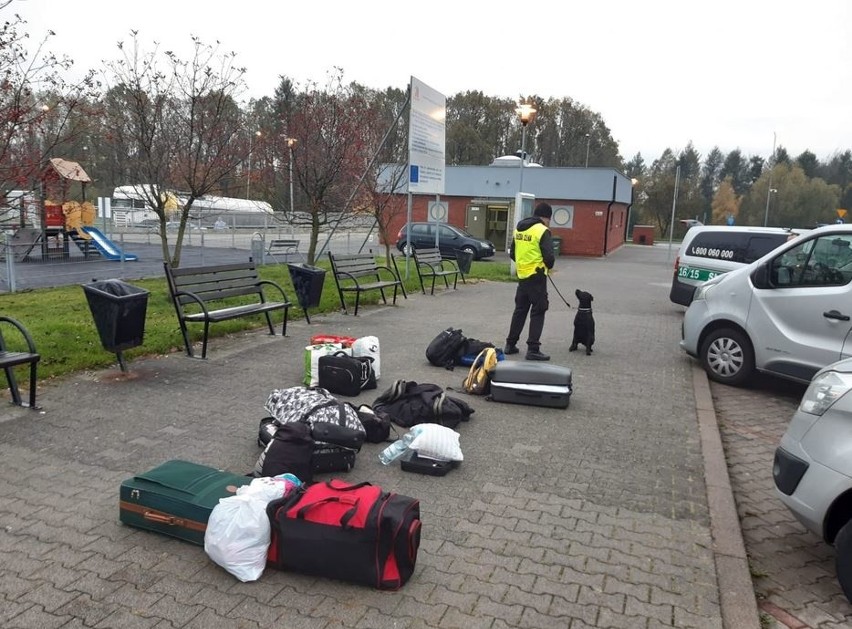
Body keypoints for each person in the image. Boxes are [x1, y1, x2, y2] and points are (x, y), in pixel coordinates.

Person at [504, 202, 555, 361]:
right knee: (539, 311)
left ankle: (510, 345)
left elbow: (513, 253)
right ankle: (533, 349)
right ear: (546, 217)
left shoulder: (518, 229)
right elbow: (549, 258)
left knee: (520, 311)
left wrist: (523, 263)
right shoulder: (542, 230)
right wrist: (544, 265)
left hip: (522, 277)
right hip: (537, 277)